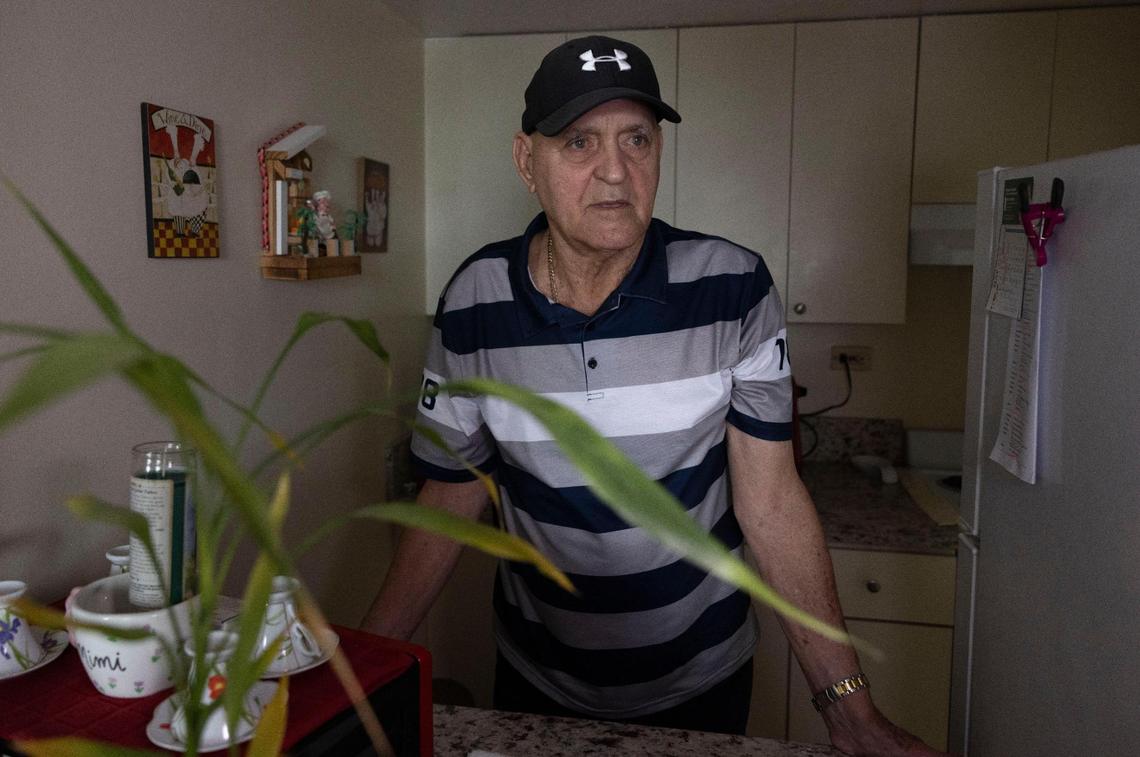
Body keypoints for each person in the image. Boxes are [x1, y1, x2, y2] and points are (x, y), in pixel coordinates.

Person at [363, 35, 944, 755]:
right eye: (580, 141)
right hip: (538, 679)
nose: (615, 170)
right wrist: (366, 670)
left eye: (637, 138)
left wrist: (850, 710)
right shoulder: (473, 302)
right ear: (526, 161)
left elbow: (770, 502)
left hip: (703, 678)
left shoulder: (733, 288)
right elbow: (449, 495)